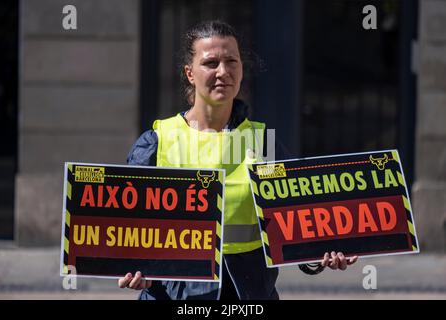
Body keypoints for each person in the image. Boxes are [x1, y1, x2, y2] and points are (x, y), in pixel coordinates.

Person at [118, 20, 358, 300]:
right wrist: (130, 266)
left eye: (231, 61)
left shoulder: (262, 142)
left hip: (249, 294)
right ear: (190, 73)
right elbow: (129, 231)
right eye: (210, 63)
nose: (223, 72)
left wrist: (323, 251)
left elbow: (294, 227)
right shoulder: (157, 142)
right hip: (178, 296)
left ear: (242, 70)